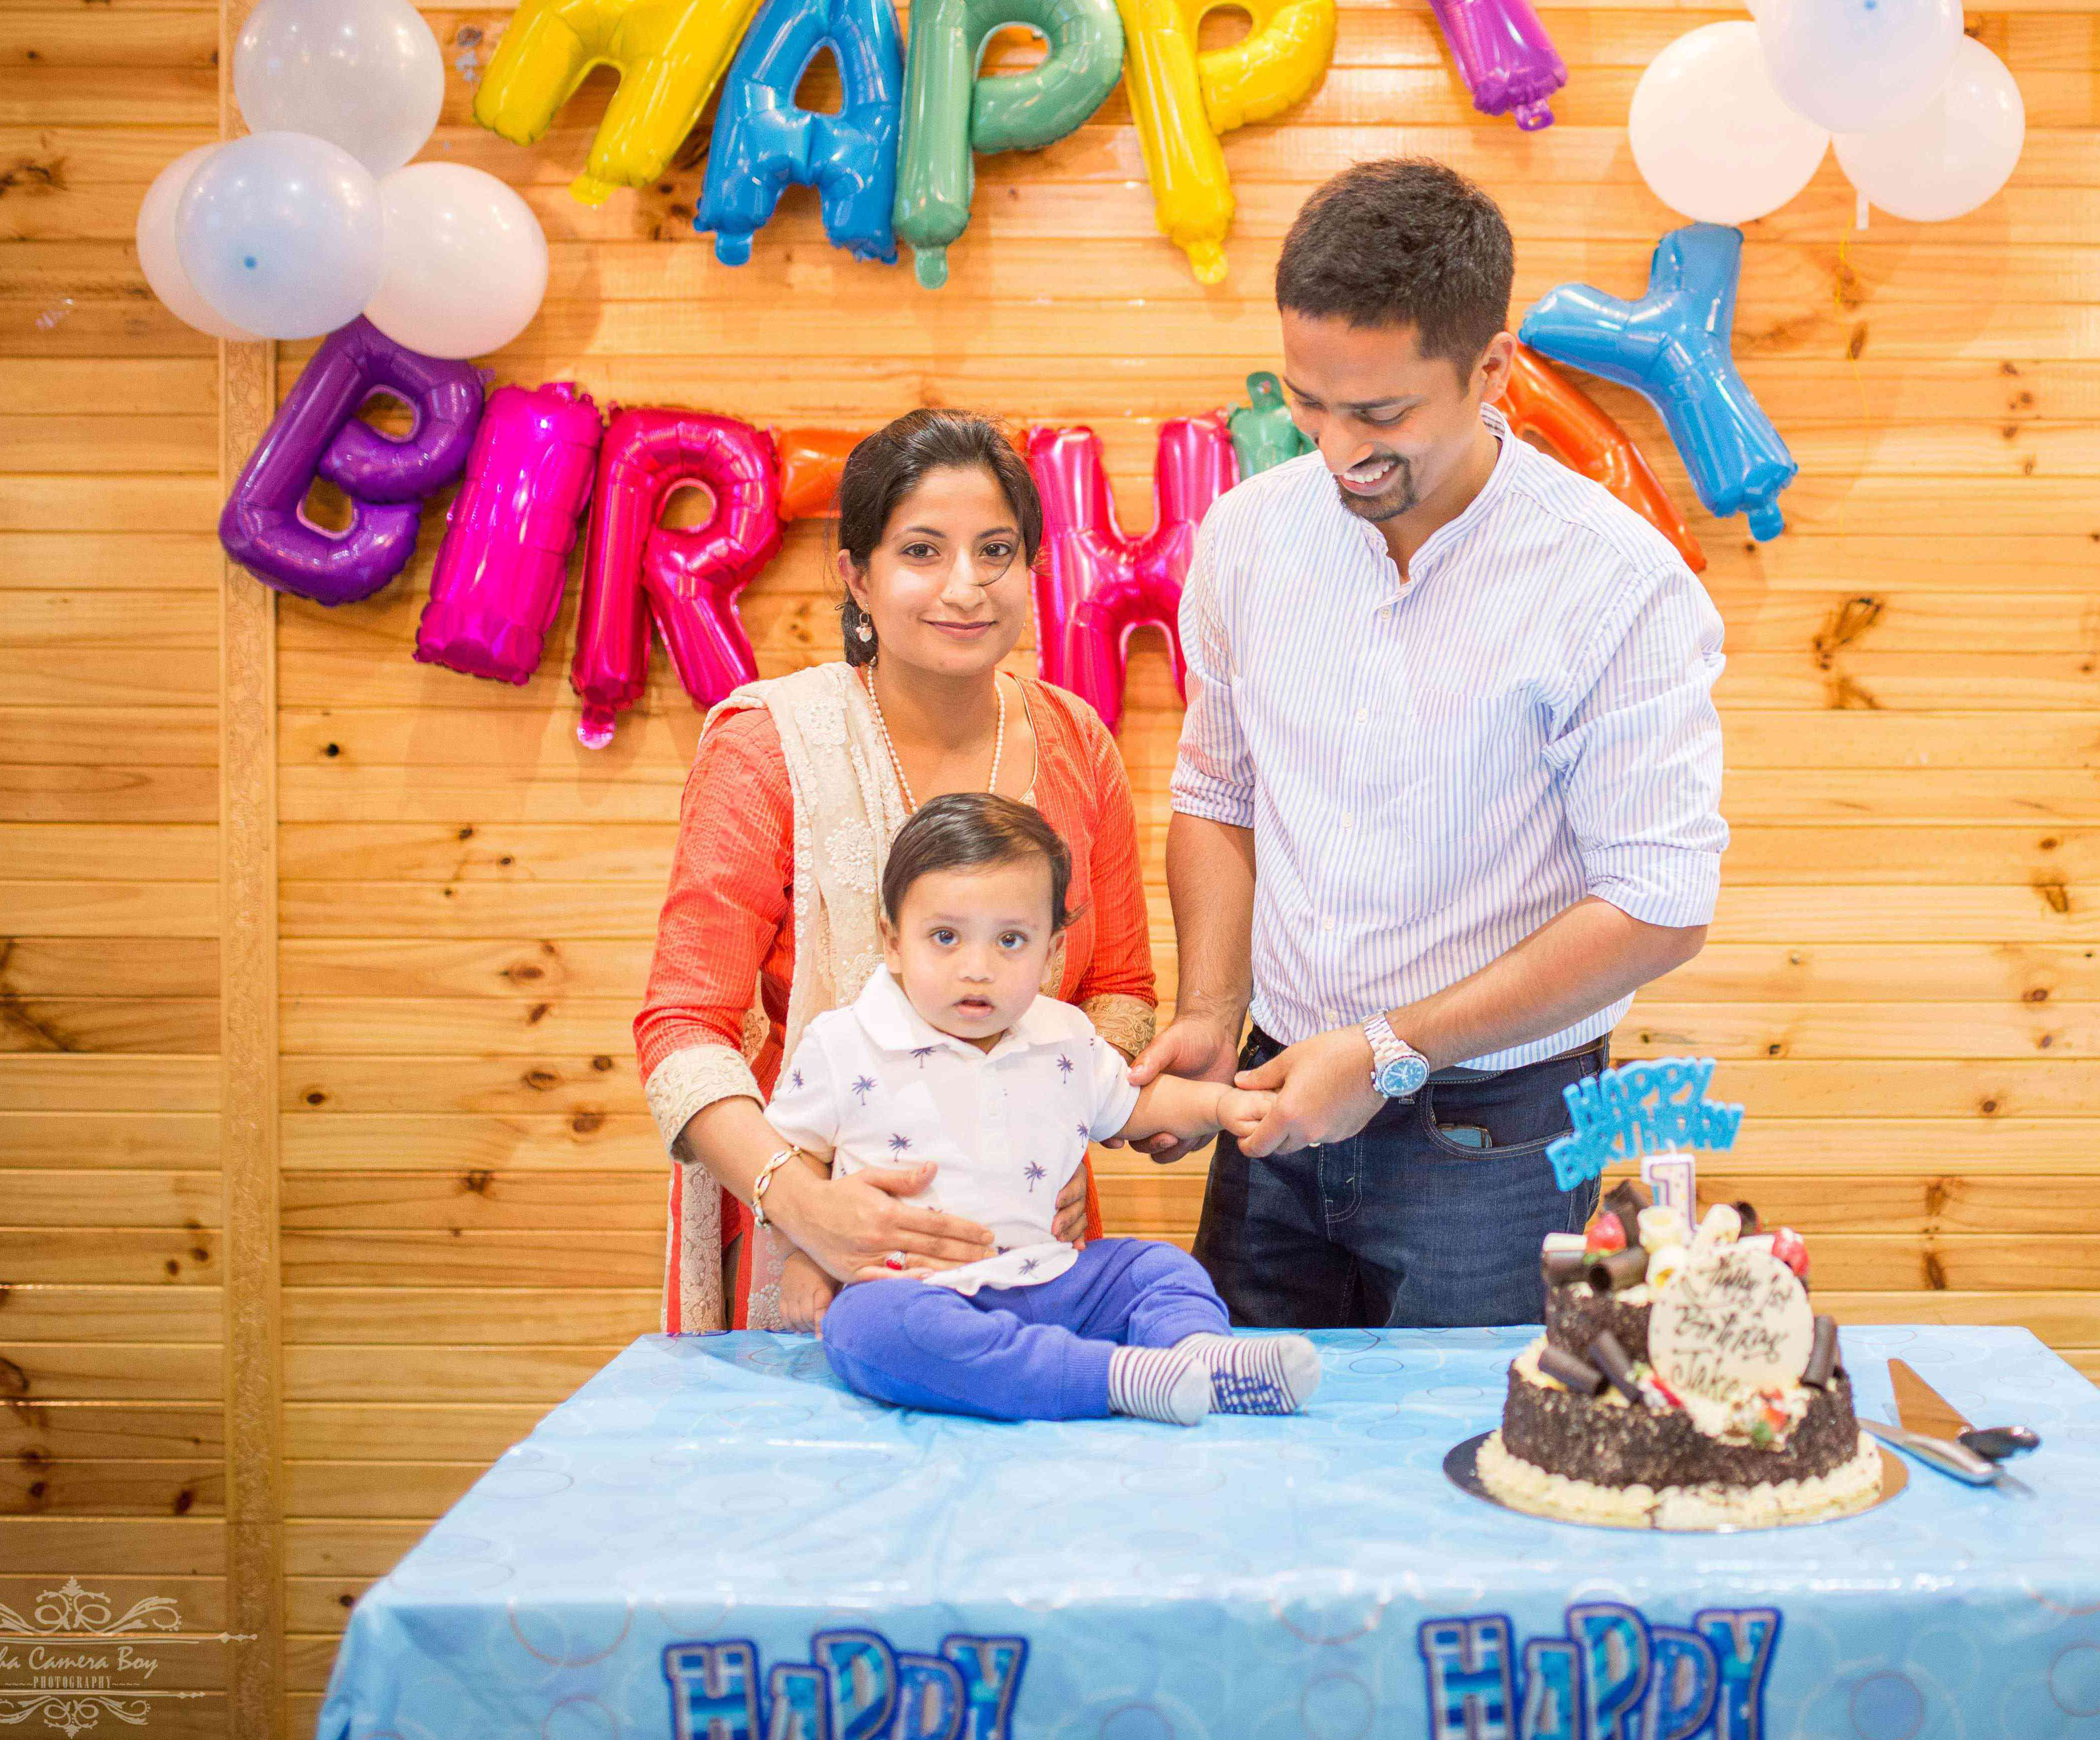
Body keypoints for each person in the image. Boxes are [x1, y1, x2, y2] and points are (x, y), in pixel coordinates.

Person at [1128, 158, 1729, 1328]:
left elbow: (1660, 902)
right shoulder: (1249, 535)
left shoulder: (1616, 581)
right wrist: (1208, 1010)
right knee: (1239, 1412)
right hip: (1275, 1087)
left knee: (1466, 1433)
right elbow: (1219, 791)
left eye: (1382, 414)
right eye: (1310, 401)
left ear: (1490, 370)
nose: (1336, 448)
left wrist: (1389, 1050)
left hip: (1495, 1127)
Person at [633, 410, 1157, 1332]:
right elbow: (683, 1029)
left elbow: (1117, 991)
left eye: (996, 551)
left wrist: (1057, 1134)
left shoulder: (1077, 743)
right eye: (922, 551)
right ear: (857, 577)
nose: (965, 587)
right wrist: (804, 1202)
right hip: (811, 1252)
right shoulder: (769, 748)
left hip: (1027, 1242)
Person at [779, 794, 1320, 1425]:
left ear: (1051, 950)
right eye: (945, 937)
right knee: (866, 1327)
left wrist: (1222, 1102)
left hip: (1058, 1279)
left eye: (1010, 940)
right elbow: (795, 1158)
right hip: (919, 1289)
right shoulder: (843, 1042)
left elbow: (1138, 1102)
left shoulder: (1063, 1034)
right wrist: (808, 1254)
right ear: (894, 942)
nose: (977, 968)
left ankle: (1201, 1357)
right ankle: (1117, 1377)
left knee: (1158, 1267)